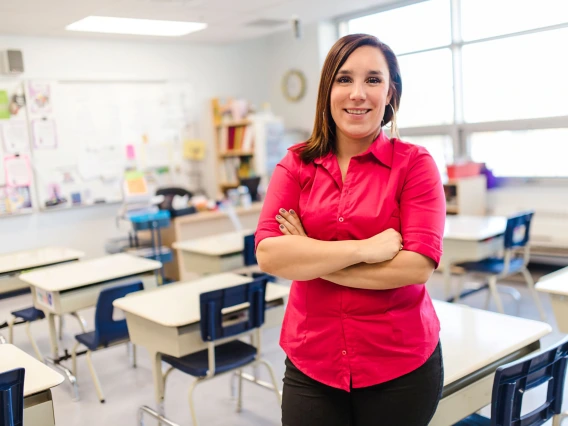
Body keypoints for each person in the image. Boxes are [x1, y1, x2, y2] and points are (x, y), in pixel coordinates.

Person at [255, 33, 446, 426]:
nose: (358, 93)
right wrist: (364, 249)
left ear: (391, 92)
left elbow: (416, 268)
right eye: (344, 79)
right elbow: (270, 254)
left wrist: (309, 253)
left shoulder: (414, 165)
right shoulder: (295, 165)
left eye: (373, 80)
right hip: (313, 363)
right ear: (328, 90)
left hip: (399, 367)